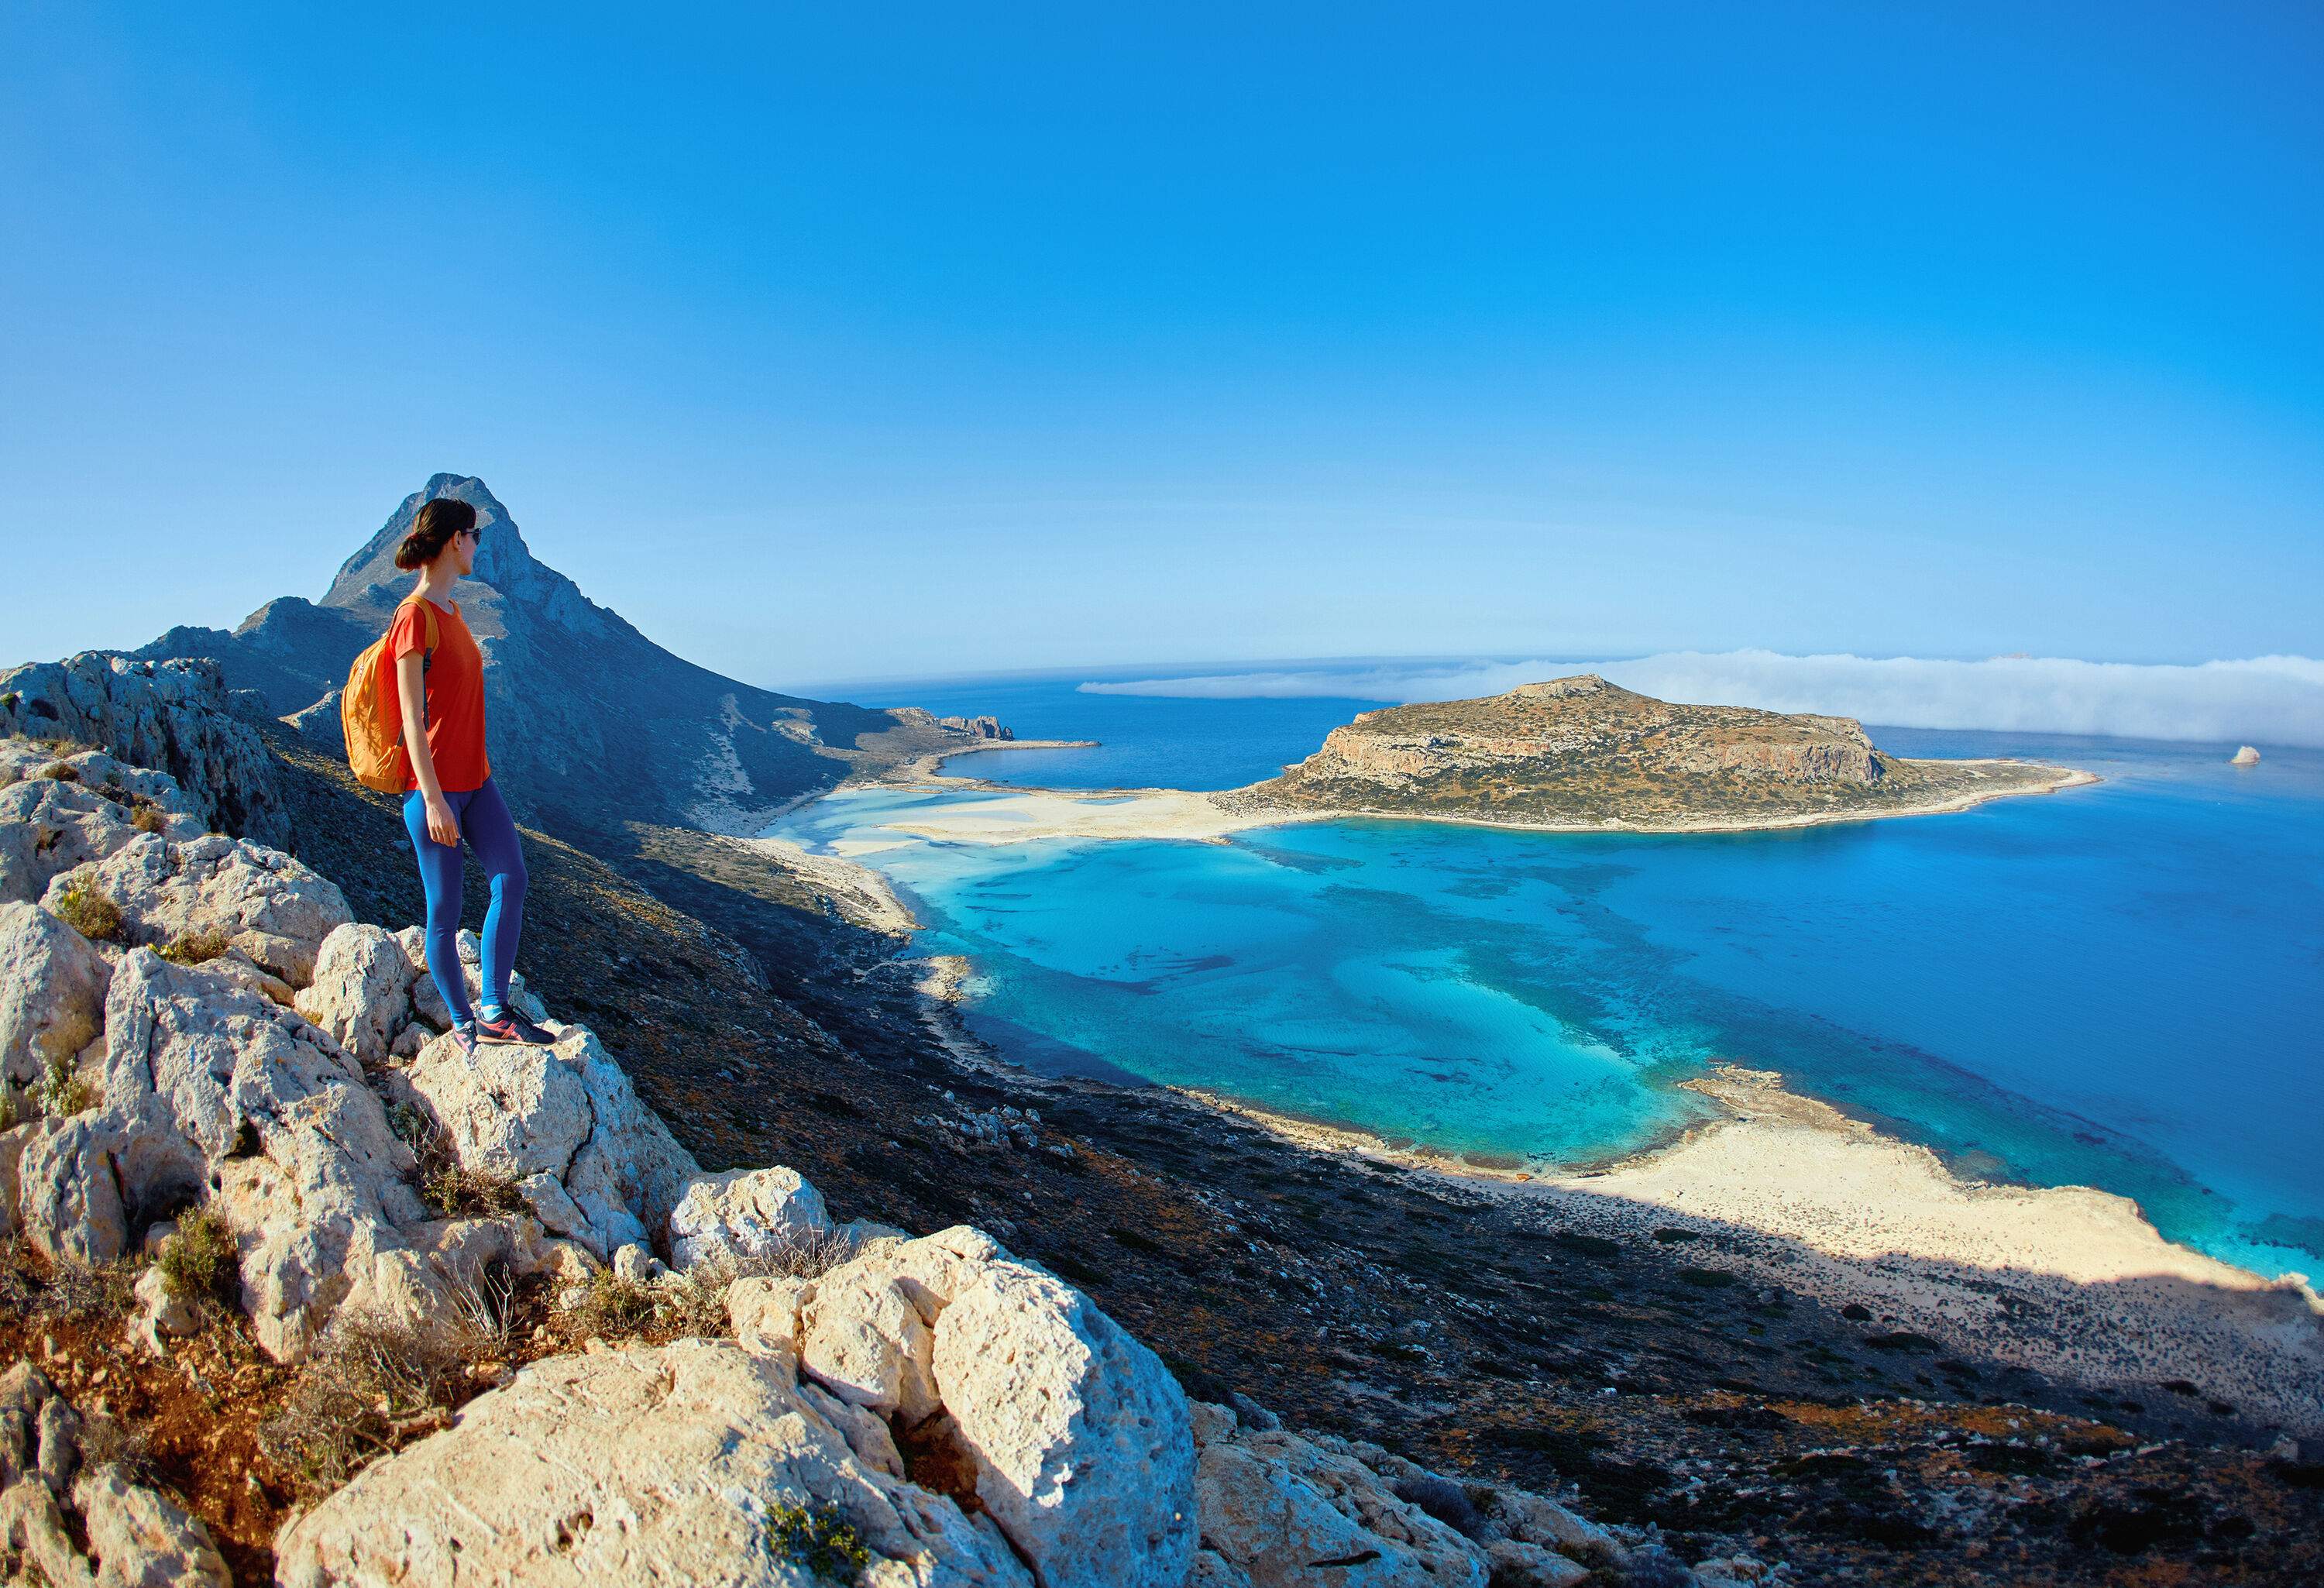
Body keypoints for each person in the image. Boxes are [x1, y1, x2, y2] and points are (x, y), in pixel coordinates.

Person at [385, 497, 552, 1054]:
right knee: (445, 913)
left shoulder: (455, 613)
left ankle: (496, 1009)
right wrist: (433, 800)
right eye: (474, 535)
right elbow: (411, 717)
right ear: (455, 540)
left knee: (512, 879)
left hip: (477, 782)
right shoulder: (414, 617)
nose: (479, 545)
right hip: (435, 792)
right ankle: (463, 1022)